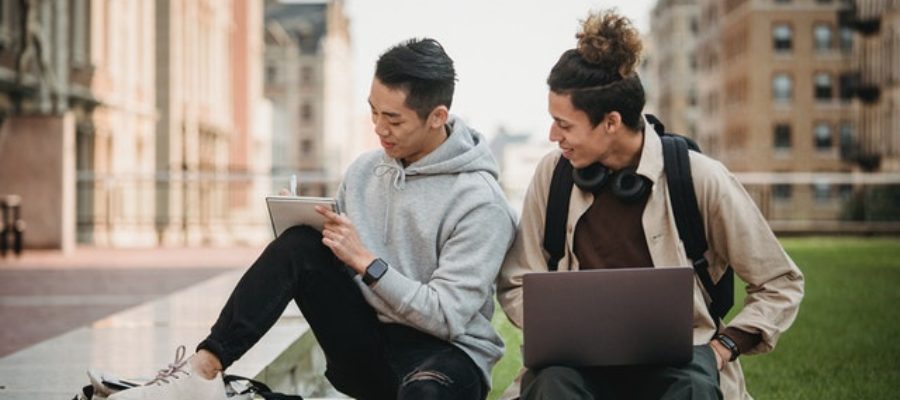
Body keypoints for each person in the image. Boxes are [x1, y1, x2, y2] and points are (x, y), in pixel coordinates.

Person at [111, 38, 516, 400]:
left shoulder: (480, 202)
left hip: (445, 362)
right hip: (367, 348)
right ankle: (201, 373)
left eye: (393, 120)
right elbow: (331, 264)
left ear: (437, 116)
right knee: (300, 244)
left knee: (425, 393)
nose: (379, 129)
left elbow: (445, 318)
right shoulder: (364, 171)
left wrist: (368, 263)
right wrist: (304, 222)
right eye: (373, 112)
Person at [497, 10, 804, 400]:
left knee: (693, 387)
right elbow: (516, 279)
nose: (553, 134)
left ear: (610, 122)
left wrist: (722, 348)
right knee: (551, 384)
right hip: (576, 363)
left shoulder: (700, 178)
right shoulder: (552, 174)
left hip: (683, 360)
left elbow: (781, 281)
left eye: (565, 124)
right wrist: (560, 333)